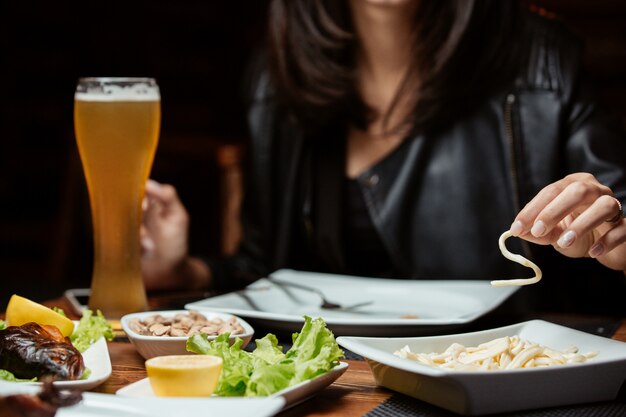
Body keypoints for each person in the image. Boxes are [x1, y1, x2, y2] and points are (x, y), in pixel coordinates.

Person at [141, 0, 626, 314]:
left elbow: (612, 226)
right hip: (337, 391)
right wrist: (183, 273)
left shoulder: (542, 63)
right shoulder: (279, 78)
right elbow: (266, 269)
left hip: (502, 376)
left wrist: (614, 245)